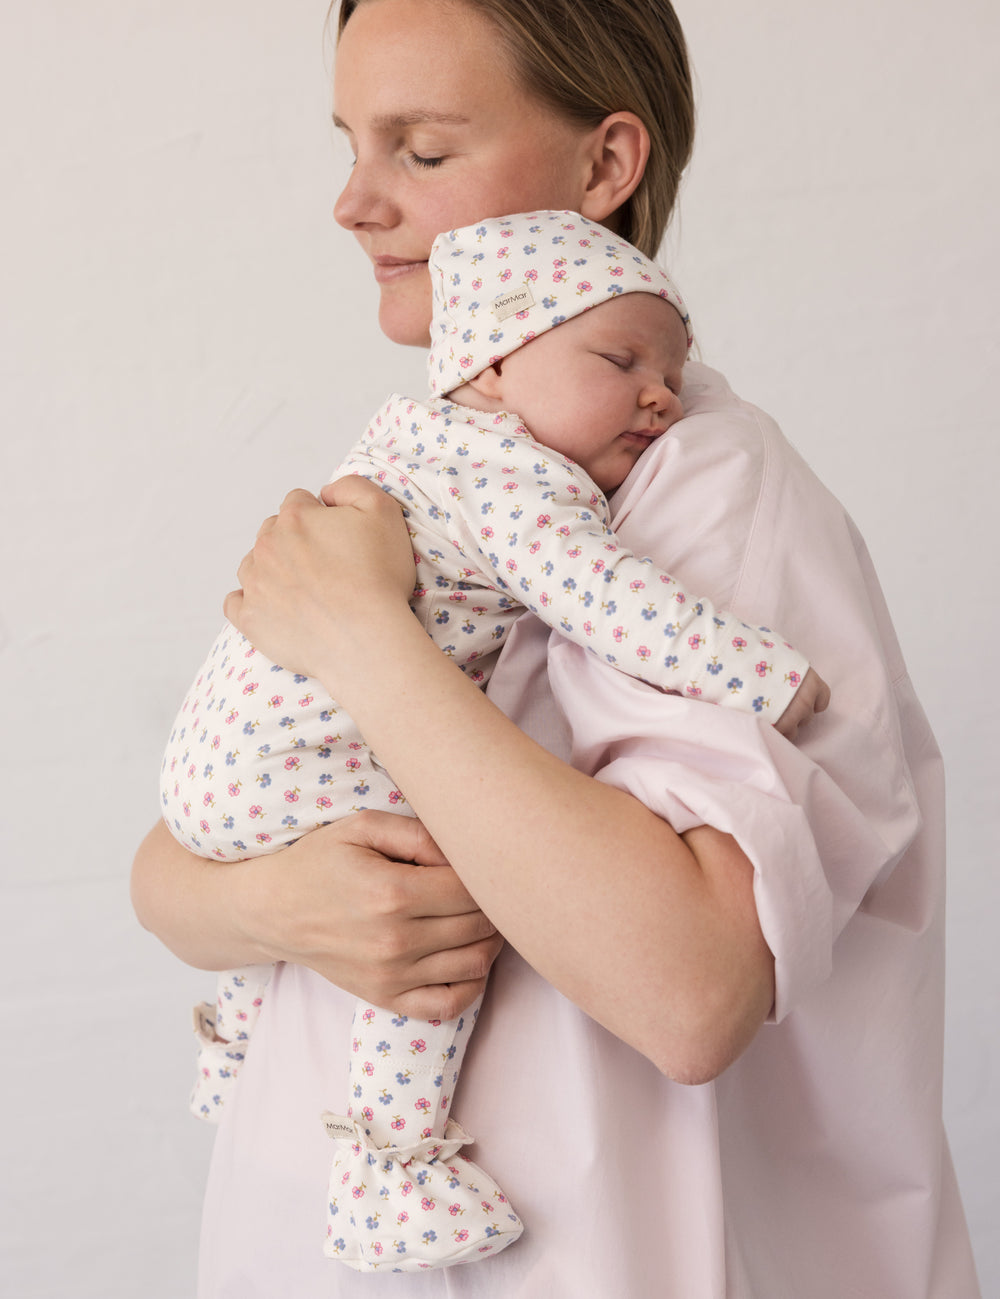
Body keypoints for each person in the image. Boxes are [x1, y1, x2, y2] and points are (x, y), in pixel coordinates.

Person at [131, 0, 981, 1294]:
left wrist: (365, 639)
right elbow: (177, 858)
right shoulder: (450, 466)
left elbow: (688, 992)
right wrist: (267, 903)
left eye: (422, 149)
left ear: (606, 166)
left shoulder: (708, 497)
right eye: (352, 144)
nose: (354, 203)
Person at [161, 208, 828, 1274]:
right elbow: (616, 604)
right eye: (620, 362)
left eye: (668, 372)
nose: (661, 395)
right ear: (495, 361)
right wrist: (766, 676)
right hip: (290, 766)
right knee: (444, 887)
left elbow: (694, 1003)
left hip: (225, 766)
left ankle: (237, 1042)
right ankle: (393, 1163)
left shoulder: (413, 446)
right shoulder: (512, 479)